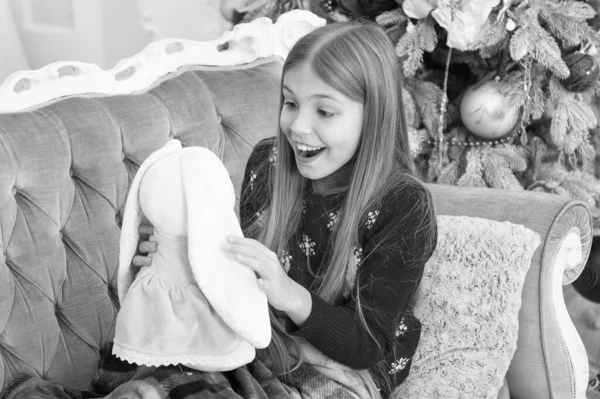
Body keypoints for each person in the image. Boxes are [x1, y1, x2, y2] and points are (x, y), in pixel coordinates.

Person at [133, 20, 437, 398]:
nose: (298, 127)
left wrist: (288, 293)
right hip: (262, 343)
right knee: (159, 380)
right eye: (291, 103)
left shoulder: (403, 206)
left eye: (325, 112)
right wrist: (176, 253)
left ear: (374, 115)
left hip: (344, 370)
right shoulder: (269, 162)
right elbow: (237, 275)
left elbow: (368, 344)